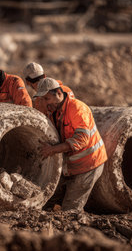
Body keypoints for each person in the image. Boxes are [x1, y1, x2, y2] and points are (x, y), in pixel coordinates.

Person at [36, 77, 107, 211]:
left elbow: (81, 139)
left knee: (70, 209)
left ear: (58, 93)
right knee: (49, 197)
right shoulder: (55, 110)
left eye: (47, 99)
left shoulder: (77, 109)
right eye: (43, 100)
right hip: (71, 165)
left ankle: (72, 230)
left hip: (89, 164)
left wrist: (52, 150)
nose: (45, 104)